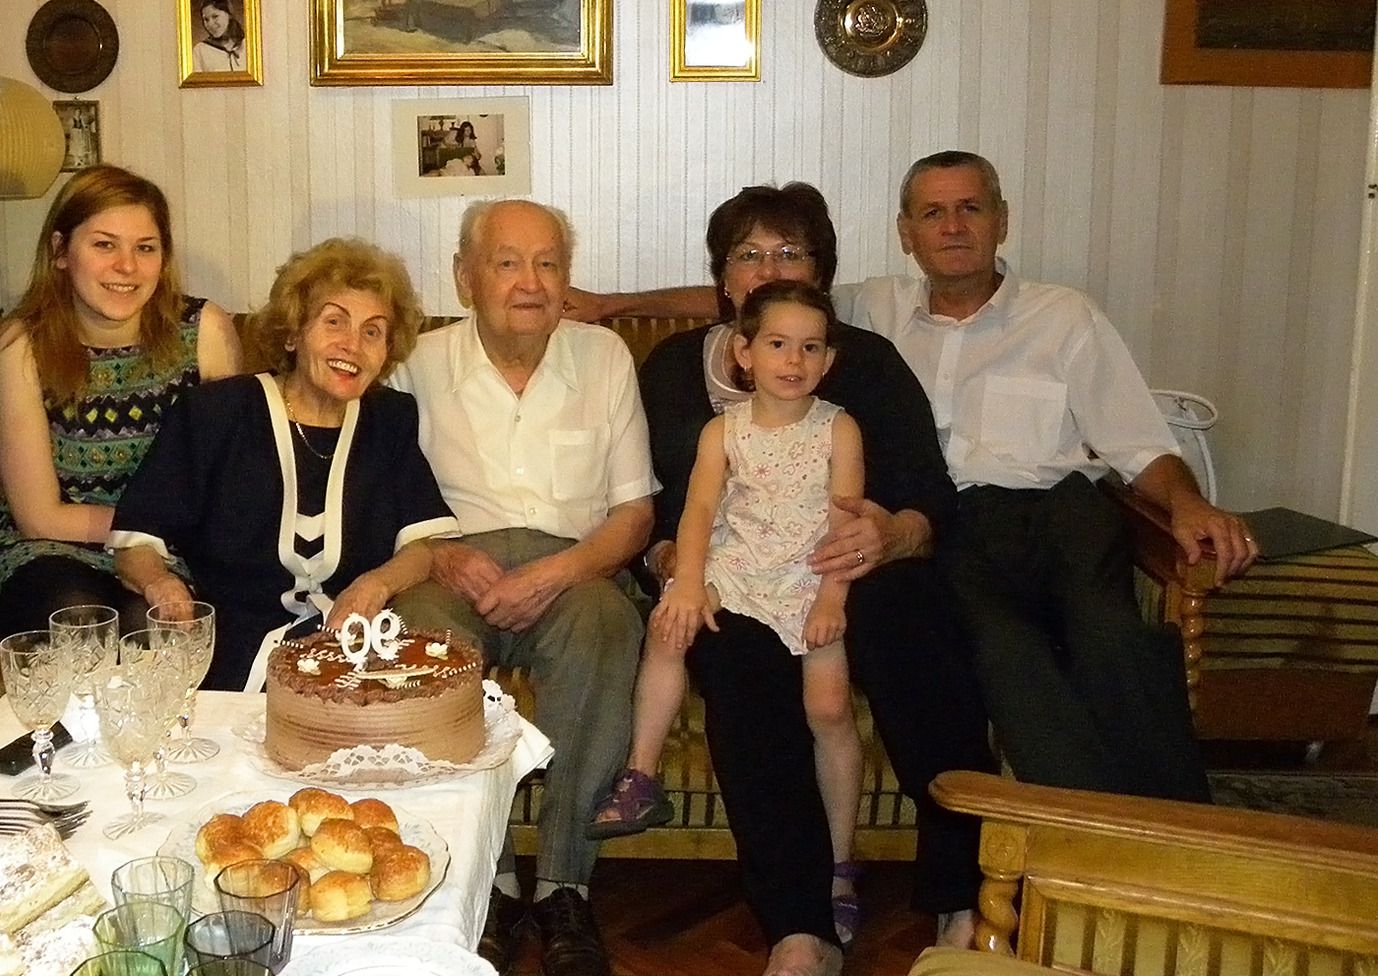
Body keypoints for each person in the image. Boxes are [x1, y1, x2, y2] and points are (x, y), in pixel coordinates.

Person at [629, 183, 995, 975]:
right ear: (723, 281)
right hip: (732, 576)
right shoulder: (670, 370)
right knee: (738, 659)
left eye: (789, 253)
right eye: (749, 255)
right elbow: (638, 499)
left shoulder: (864, 364)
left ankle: (962, 893)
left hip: (855, 567)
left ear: (820, 275)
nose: (768, 270)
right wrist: (667, 562)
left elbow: (931, 496)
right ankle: (801, 928)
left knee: (911, 619)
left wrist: (894, 533)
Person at [845, 151, 1258, 800]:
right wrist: (665, 302)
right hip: (953, 529)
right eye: (932, 213)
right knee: (1006, 656)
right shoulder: (872, 308)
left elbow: (1135, 440)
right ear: (906, 233)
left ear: (1002, 221)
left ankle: (1186, 831)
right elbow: (765, 293)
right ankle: (1091, 837)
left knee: (1115, 642)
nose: (952, 227)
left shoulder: (1064, 315)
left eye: (970, 208)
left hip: (1063, 516)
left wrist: (1188, 504)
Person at [390, 199, 657, 976]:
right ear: (464, 277)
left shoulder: (603, 358)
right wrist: (441, 553)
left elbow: (634, 513)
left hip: (573, 571)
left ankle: (565, 885)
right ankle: (494, 883)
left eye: (548, 264)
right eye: (507, 263)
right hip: (449, 566)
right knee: (424, 643)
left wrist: (562, 571)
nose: (530, 283)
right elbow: (379, 494)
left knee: (609, 626)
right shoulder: (415, 362)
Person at [591, 280, 868, 945]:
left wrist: (832, 600)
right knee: (669, 624)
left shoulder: (839, 428)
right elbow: (698, 512)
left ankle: (838, 863)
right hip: (737, 569)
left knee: (829, 710)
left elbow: (846, 525)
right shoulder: (724, 431)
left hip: (809, 575)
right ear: (744, 353)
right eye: (777, 344)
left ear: (828, 360)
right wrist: (688, 582)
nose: (793, 360)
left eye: (810, 348)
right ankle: (641, 773)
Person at [110, 238, 462, 689]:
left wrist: (374, 586)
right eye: (334, 321)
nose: (352, 345)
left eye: (373, 332)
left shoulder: (389, 420)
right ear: (293, 333)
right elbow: (136, 541)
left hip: (350, 649)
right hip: (228, 650)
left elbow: (422, 545)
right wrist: (160, 584)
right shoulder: (216, 414)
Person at [0, 165, 241, 637]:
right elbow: (40, 517)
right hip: (47, 547)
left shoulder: (205, 333)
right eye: (104, 245)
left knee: (149, 626)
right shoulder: (23, 345)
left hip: (169, 551)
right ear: (60, 251)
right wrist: (154, 525)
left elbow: (232, 481)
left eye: (145, 248)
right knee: (76, 616)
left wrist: (158, 545)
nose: (127, 266)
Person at [192, 0, 247, 73]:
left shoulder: (247, 45)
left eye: (215, 16)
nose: (210, 24)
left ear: (229, 15)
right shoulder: (200, 50)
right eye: (206, 19)